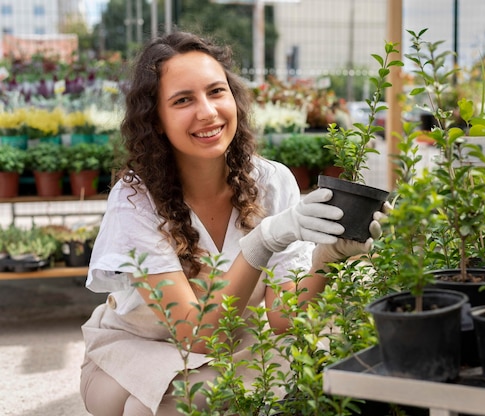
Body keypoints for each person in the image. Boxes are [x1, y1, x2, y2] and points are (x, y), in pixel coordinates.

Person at [79, 31, 385, 416]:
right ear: (156, 120)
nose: (207, 112)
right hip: (137, 344)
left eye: (216, 92)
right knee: (134, 405)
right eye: (183, 100)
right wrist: (263, 242)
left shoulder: (272, 183)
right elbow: (200, 334)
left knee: (157, 407)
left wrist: (328, 255)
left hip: (237, 345)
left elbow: (282, 318)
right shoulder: (136, 199)